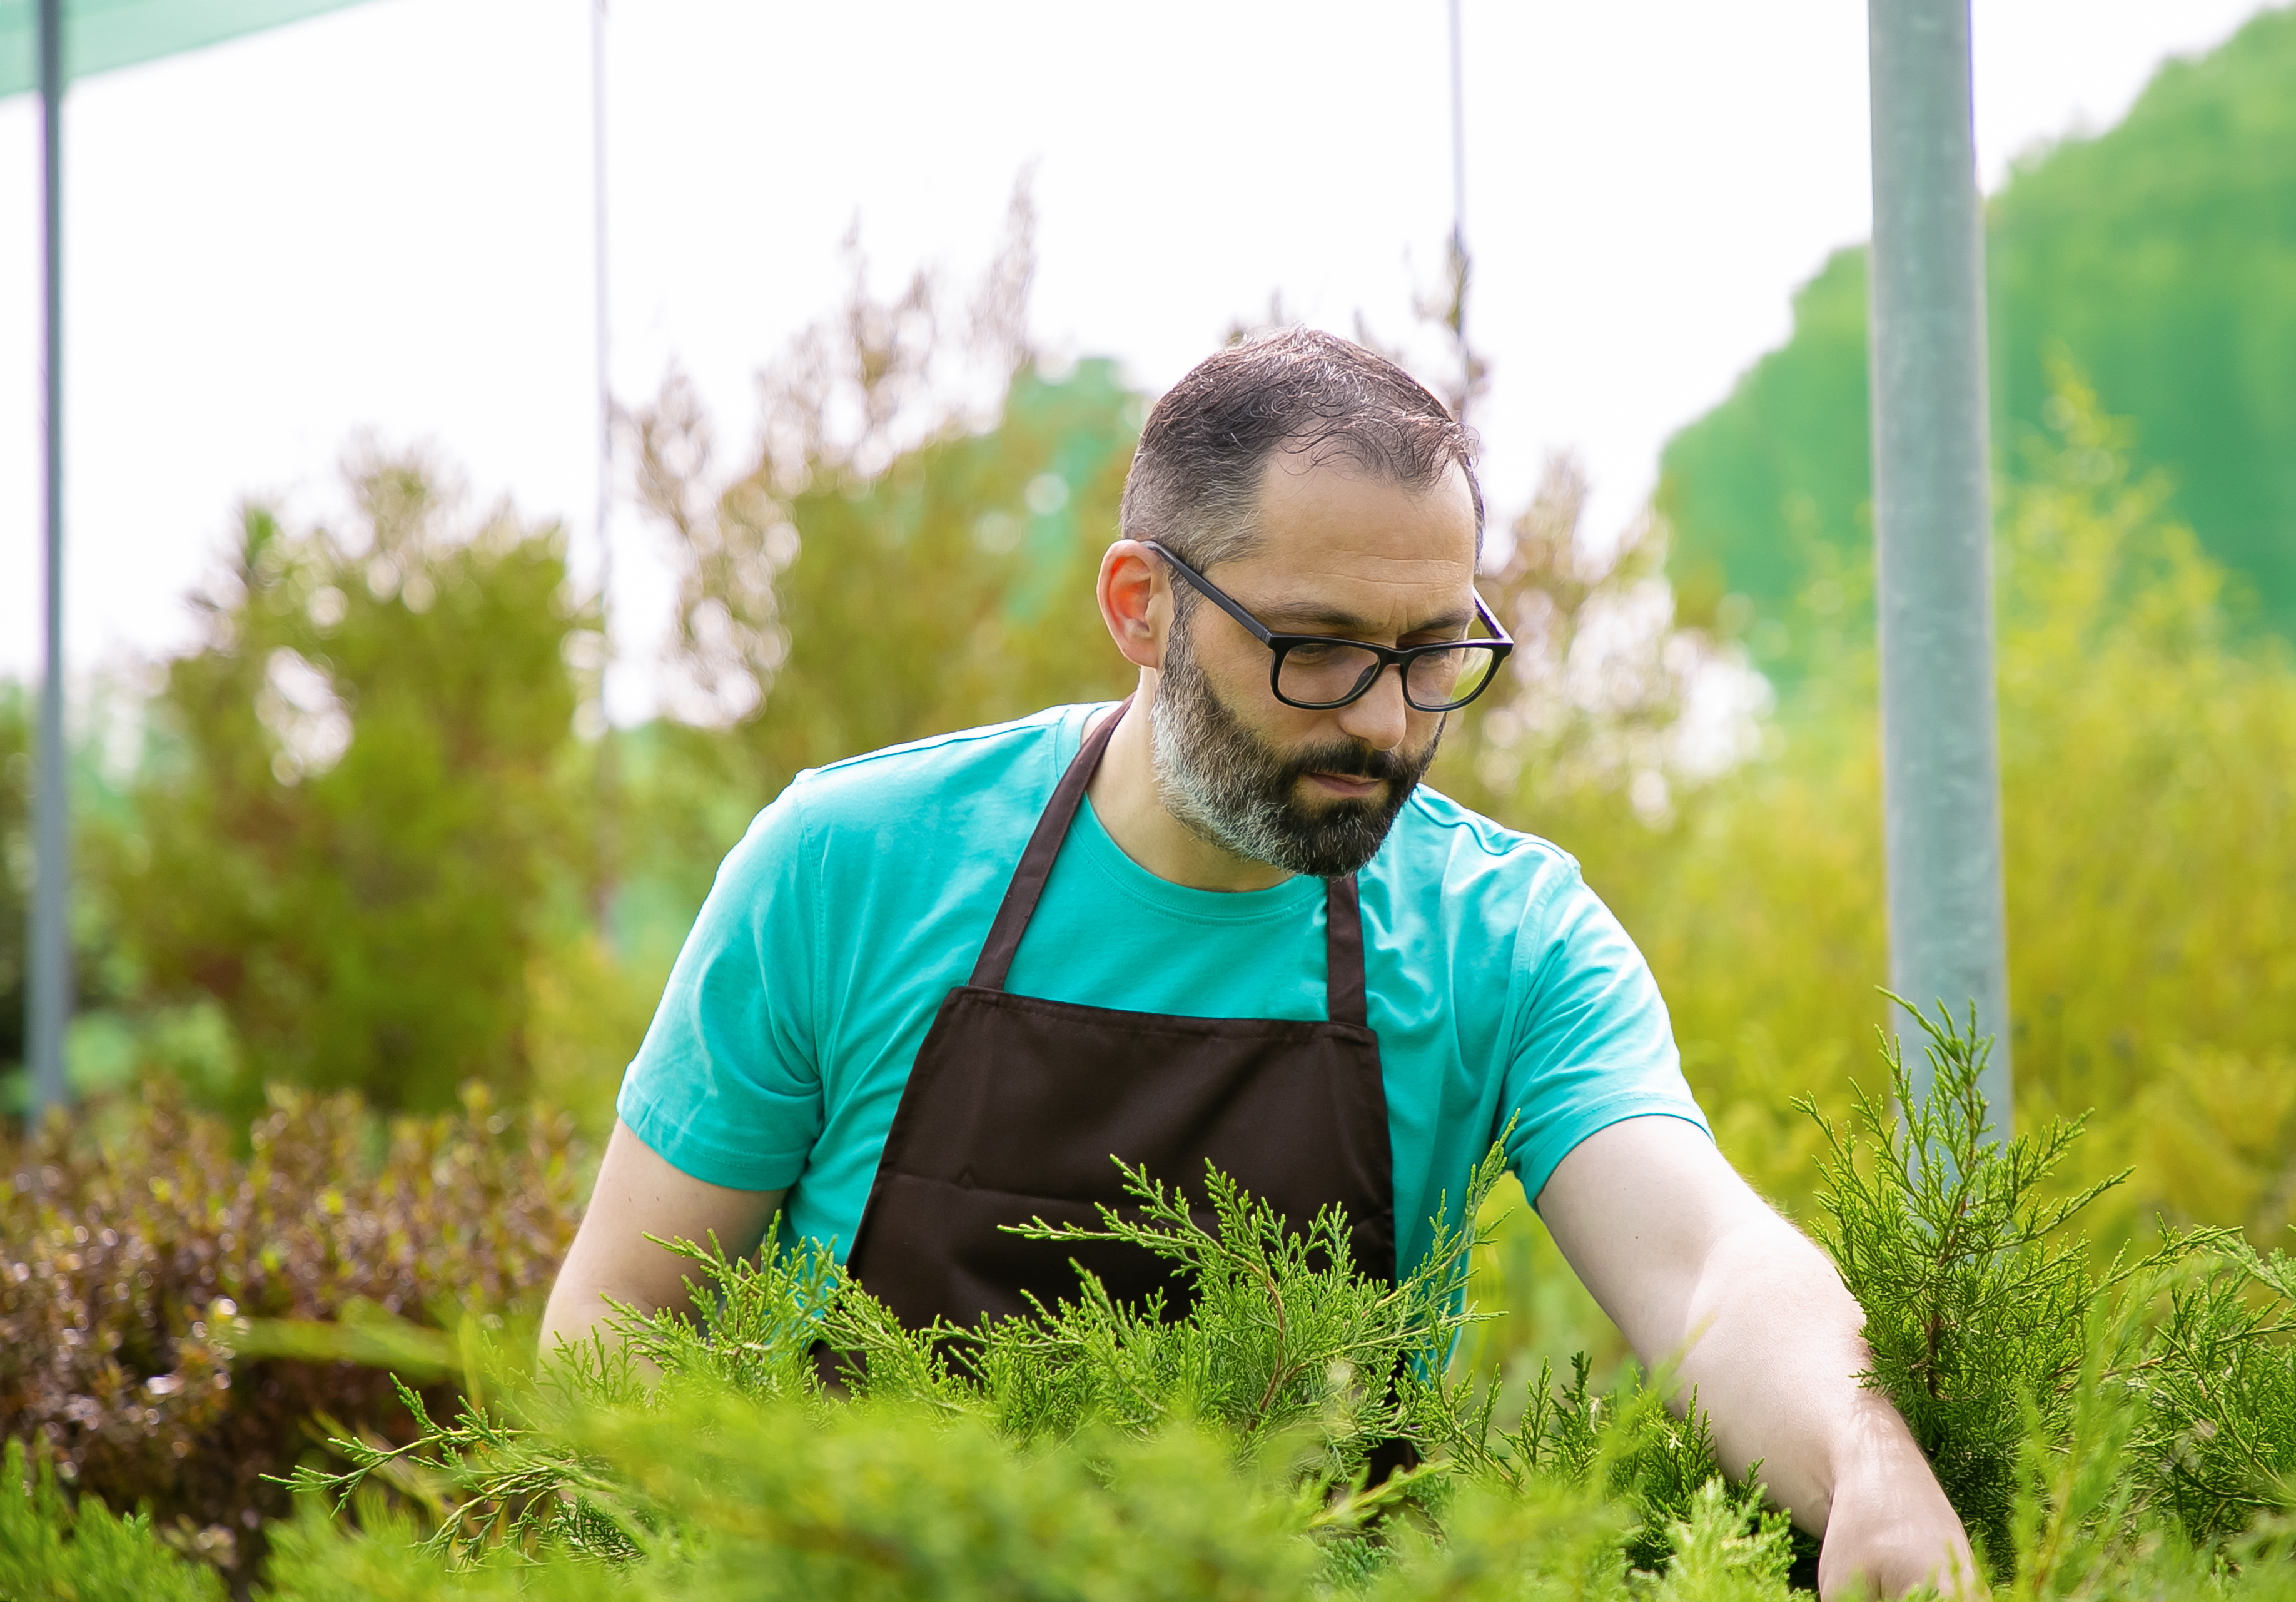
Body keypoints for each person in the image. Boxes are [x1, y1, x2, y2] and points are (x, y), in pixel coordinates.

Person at [542, 328, 1976, 1597]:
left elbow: (1707, 1259)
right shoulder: (850, 869)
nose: (1385, 723)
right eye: (1317, 649)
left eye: (1432, 653)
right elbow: (615, 1324)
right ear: (1139, 607)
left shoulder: (1505, 937)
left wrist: (1865, 1459)